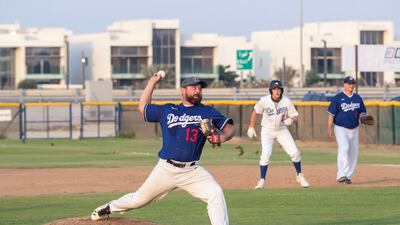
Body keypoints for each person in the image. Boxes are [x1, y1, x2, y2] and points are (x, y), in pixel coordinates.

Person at [91, 75, 235, 225]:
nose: (197, 91)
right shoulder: (168, 110)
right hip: (166, 169)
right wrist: (152, 82)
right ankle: (108, 207)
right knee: (138, 200)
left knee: (215, 193)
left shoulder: (207, 112)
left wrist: (222, 138)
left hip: (191, 171)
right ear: (183, 91)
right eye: (193, 87)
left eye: (199, 88)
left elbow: (230, 129)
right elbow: (142, 107)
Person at [247, 80, 310, 189]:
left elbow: (295, 116)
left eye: (279, 89)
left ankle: (299, 175)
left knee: (295, 153)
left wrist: (291, 120)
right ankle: (262, 180)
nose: (277, 91)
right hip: (267, 130)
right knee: (265, 155)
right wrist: (251, 126)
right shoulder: (264, 100)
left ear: (281, 90)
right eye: (274, 89)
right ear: (271, 90)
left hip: (282, 130)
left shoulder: (286, 101)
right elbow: (255, 111)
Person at [327, 76, 367, 184]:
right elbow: (331, 114)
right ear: (344, 85)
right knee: (344, 148)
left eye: (353, 83)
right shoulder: (337, 98)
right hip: (341, 128)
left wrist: (363, 118)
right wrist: (329, 127)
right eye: (349, 83)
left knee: (354, 153)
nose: (351, 85)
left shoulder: (358, 98)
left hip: (354, 128)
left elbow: (362, 112)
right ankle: (341, 175)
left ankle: (348, 177)